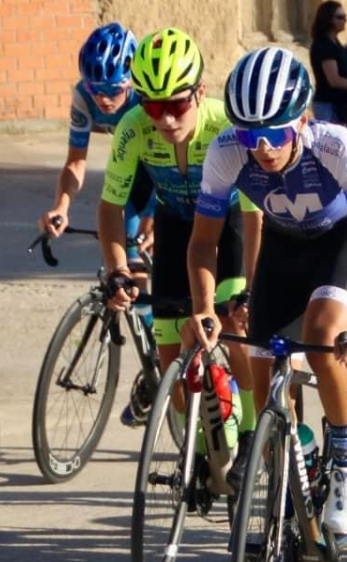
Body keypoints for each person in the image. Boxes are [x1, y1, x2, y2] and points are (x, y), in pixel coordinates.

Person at [184, 46, 347, 536]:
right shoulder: (226, 151)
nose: (262, 148)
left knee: (322, 338)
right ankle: (299, 496)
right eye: (250, 135)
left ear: (302, 118)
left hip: (338, 245)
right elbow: (201, 243)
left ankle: (346, 465)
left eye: (275, 134)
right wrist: (203, 308)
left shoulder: (336, 146)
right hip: (282, 248)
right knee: (264, 381)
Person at [93, 27, 256, 449]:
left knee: (235, 326)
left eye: (176, 104)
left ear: (200, 92)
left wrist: (253, 288)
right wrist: (118, 270)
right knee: (169, 355)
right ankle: (197, 449)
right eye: (152, 105)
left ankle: (255, 433)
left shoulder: (226, 125)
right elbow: (111, 206)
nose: (165, 118)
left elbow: (256, 216)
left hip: (231, 224)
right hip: (175, 223)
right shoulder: (132, 128)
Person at [38, 24, 151, 250]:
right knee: (128, 264)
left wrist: (154, 217)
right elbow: (76, 161)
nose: (103, 99)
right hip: (128, 170)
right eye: (95, 90)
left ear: (131, 82)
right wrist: (61, 207)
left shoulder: (147, 96)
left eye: (113, 91)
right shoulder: (83, 96)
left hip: (165, 172)